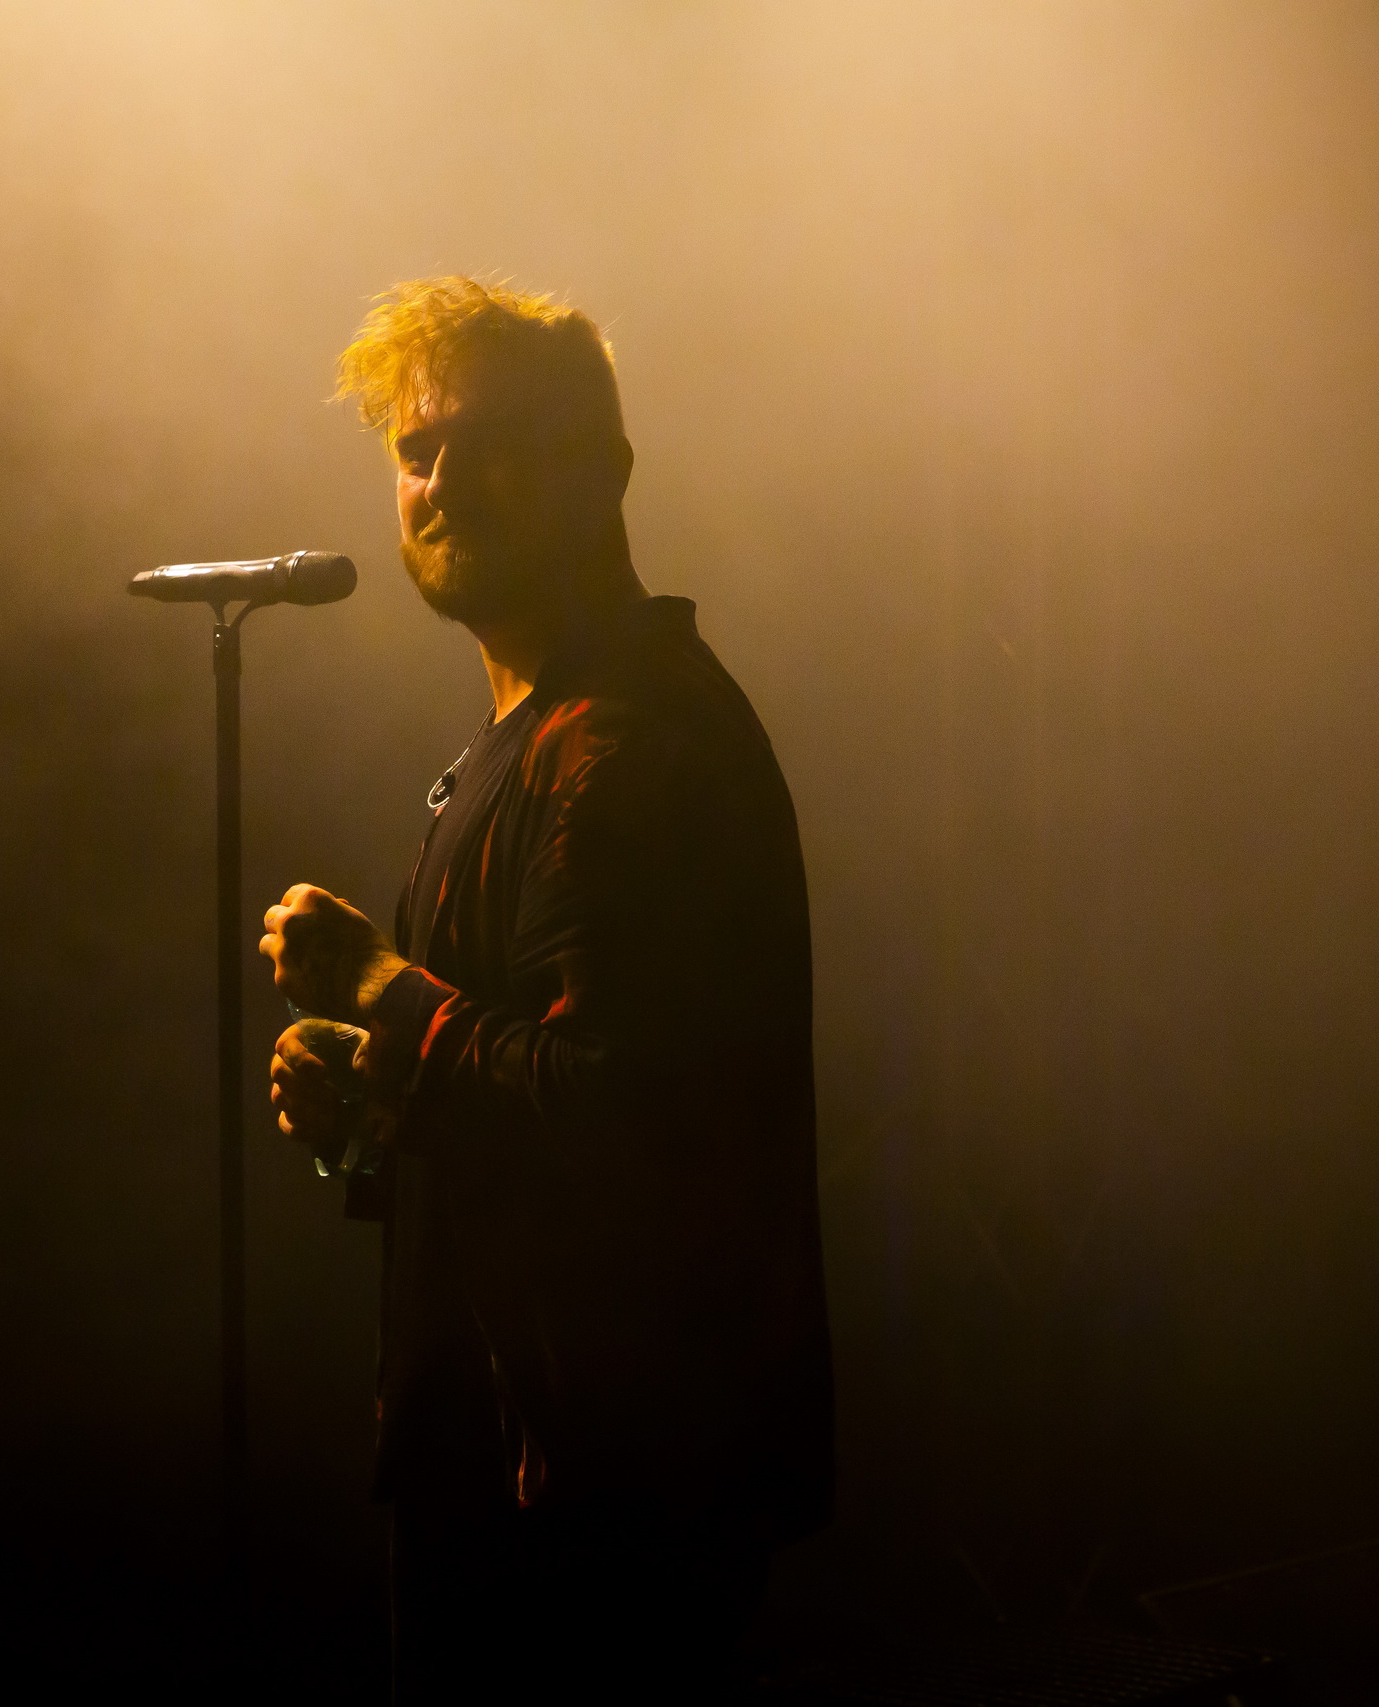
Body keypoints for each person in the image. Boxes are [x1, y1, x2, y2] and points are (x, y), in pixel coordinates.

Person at [257, 277, 833, 1704]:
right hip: (522, 1470)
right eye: (415, 450)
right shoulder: (533, 737)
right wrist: (370, 1113)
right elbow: (525, 1121)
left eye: (491, 442)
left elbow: (614, 1108)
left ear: (604, 470)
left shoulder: (626, 746)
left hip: (599, 1508)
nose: (442, 481)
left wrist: (380, 990)